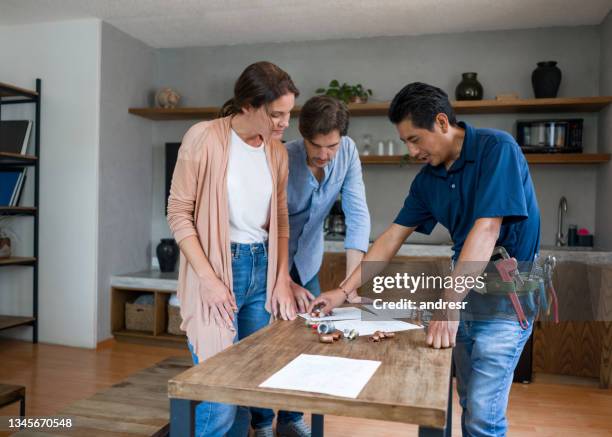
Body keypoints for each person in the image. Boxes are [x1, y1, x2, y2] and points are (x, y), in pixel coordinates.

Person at [309, 82, 541, 437]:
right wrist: (342, 292)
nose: (411, 150)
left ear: (443, 122)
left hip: (507, 299)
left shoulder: (497, 150)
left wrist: (448, 305)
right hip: (465, 293)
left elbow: (487, 230)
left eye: (415, 139)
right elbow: (391, 238)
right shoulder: (428, 180)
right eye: (405, 142)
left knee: (483, 414)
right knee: (466, 398)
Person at [167, 61, 304, 437]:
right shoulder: (204, 137)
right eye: (276, 114)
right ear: (247, 105)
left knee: (249, 381)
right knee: (218, 394)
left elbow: (280, 218)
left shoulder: (276, 153)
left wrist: (280, 280)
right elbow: (178, 213)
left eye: (288, 114)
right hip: (219, 268)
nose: (284, 124)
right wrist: (208, 280)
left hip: (262, 269)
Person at [260, 95, 371, 436]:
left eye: (331, 146)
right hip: (269, 261)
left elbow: (358, 215)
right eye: (316, 145)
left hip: (307, 262)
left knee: (305, 344)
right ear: (302, 135)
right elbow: (264, 225)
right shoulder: (282, 156)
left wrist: (351, 287)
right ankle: (262, 422)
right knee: (266, 344)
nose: (324, 155)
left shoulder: (348, 152)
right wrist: (282, 280)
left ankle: (292, 419)